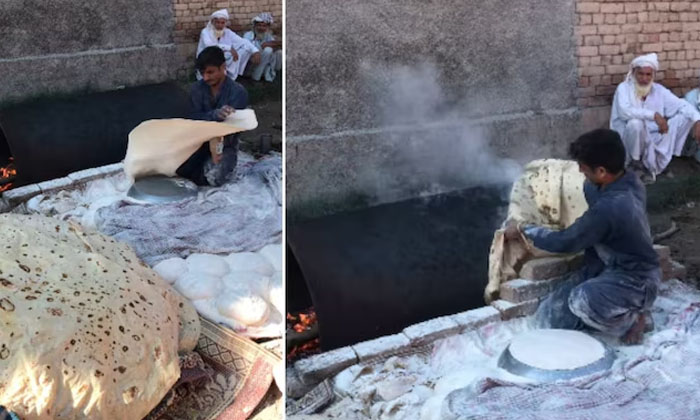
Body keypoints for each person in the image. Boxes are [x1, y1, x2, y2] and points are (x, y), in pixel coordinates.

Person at [505, 129, 660, 345]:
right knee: (548, 320)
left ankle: (634, 319)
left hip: (635, 280)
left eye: (584, 168)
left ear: (602, 171)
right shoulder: (626, 180)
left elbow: (565, 241)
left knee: (581, 301)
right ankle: (603, 315)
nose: (579, 170)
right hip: (605, 266)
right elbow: (592, 210)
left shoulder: (612, 207)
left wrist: (525, 229)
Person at [610, 53, 700, 181]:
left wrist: (697, 120)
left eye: (648, 75)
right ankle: (636, 164)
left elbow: (682, 105)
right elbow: (625, 112)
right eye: (641, 74)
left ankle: (661, 162)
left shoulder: (659, 90)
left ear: (653, 76)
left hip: (654, 136)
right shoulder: (623, 88)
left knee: (685, 117)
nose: (644, 78)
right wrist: (654, 115)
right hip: (629, 139)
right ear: (634, 73)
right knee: (636, 123)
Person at [178, 46, 249, 186]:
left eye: (210, 72)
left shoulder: (238, 92)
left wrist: (216, 134)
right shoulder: (196, 89)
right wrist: (215, 115)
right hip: (197, 142)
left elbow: (234, 128)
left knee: (213, 177)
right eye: (202, 73)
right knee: (178, 169)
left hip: (224, 145)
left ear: (223, 67)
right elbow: (192, 118)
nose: (206, 78)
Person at [196, 9, 261, 81]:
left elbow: (242, 41)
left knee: (244, 49)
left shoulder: (227, 32)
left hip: (222, 58)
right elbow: (210, 46)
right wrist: (229, 48)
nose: (220, 25)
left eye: (222, 23)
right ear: (212, 22)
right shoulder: (205, 32)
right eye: (217, 22)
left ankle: (231, 77)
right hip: (208, 58)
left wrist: (255, 51)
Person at [243, 12, 282, 82]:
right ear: (255, 26)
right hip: (251, 62)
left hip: (264, 61)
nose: (261, 28)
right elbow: (246, 50)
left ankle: (275, 73)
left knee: (280, 53)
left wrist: (268, 44)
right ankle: (255, 77)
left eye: (264, 26)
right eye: (259, 25)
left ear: (267, 27)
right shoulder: (248, 35)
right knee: (268, 50)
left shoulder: (267, 35)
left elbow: (274, 43)